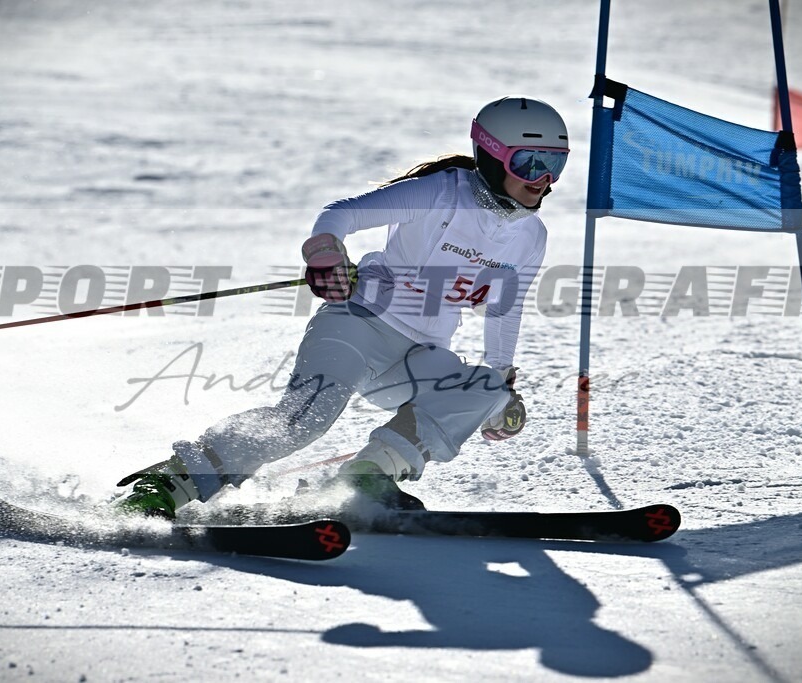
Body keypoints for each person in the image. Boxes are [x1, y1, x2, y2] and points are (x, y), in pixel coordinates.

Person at [115, 96, 570, 518]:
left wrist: (500, 382)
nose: (543, 178)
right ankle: (170, 483)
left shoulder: (531, 237)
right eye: (529, 162)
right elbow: (341, 214)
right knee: (303, 420)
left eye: (555, 164)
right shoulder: (441, 193)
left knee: (485, 387)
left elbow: (505, 309)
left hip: (417, 357)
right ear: (490, 158)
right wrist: (327, 254)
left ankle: (367, 479)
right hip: (358, 325)